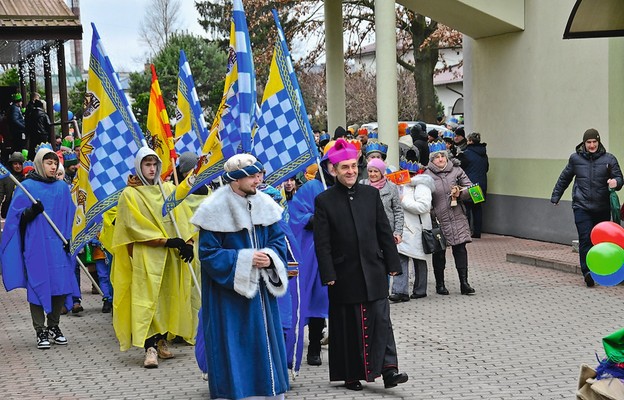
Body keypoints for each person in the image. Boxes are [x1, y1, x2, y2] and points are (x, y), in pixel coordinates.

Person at [190, 153, 289, 400]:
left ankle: (269, 392)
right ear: (236, 179)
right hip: (228, 299)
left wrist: (270, 257)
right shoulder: (213, 209)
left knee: (263, 341)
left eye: (259, 175)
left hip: (262, 296)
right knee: (233, 345)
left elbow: (278, 241)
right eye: (253, 176)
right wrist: (245, 260)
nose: (259, 180)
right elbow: (208, 254)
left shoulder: (265, 203)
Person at [314, 138, 408, 391]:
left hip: (374, 268)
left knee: (381, 321)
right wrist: (328, 272)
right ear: (334, 170)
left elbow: (383, 230)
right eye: (345, 167)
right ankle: (351, 374)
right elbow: (322, 243)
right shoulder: (324, 200)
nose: (351, 171)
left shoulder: (370, 194)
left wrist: (392, 262)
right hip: (344, 273)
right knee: (349, 324)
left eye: (354, 166)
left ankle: (389, 371)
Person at [111, 147, 200, 368]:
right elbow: (133, 226)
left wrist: (187, 242)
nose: (151, 169)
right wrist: (166, 241)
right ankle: (149, 346)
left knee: (166, 298)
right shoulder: (129, 195)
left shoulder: (167, 189)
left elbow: (182, 216)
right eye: (147, 164)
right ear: (139, 166)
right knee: (147, 300)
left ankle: (161, 340)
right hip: (146, 256)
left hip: (170, 257)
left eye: (154, 164)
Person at [0, 146, 77, 349]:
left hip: (59, 245)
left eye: (55, 163)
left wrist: (71, 239)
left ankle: (54, 325)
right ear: (39, 164)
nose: (53, 167)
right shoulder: (27, 187)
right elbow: (15, 219)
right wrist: (30, 212)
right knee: (37, 284)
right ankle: (40, 329)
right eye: (48, 163)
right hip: (36, 245)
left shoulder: (62, 188)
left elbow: (71, 216)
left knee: (60, 285)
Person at [551, 128, 623, 287]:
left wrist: (615, 183)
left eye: (594, 142)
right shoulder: (575, 159)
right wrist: (556, 196)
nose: (592, 145)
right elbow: (565, 178)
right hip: (581, 206)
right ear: (584, 143)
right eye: (588, 142)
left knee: (600, 242)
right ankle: (587, 272)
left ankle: (600, 269)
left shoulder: (609, 159)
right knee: (585, 238)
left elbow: (619, 178)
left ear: (599, 142)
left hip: (602, 207)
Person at [425, 140, 476, 295]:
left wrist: (460, 193)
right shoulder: (426, 175)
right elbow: (424, 197)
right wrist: (431, 212)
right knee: (439, 253)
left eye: (443, 156)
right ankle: (440, 284)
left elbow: (472, 189)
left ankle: (464, 283)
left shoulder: (457, 171)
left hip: (457, 216)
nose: (440, 159)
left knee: (460, 249)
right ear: (431, 159)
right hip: (438, 219)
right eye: (437, 157)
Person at [360, 158, 404, 300]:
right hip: (366, 231)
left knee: (384, 264)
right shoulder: (362, 185)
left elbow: (398, 211)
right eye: (370, 171)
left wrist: (397, 232)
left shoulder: (391, 187)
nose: (372, 174)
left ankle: (382, 293)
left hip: (385, 232)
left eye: (375, 171)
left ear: (382, 172)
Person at [393, 160, 435, 301]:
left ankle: (420, 289)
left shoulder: (422, 186)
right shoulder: (398, 185)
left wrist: (403, 200)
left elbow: (423, 207)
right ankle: (400, 291)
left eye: (410, 173)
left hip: (417, 229)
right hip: (402, 228)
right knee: (401, 258)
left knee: (419, 259)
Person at [459, 132, 489, 238]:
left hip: (470, 184)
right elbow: (486, 168)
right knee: (477, 208)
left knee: (467, 208)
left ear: (470, 141)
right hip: (481, 184)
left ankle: (467, 231)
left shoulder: (466, 153)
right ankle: (477, 232)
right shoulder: (484, 154)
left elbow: (461, 168)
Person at [0, 151, 25, 218]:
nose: (18, 166)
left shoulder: (27, 178)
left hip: (23, 210)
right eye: (15, 164)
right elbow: (0, 194)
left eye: (20, 164)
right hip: (8, 210)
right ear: (11, 164)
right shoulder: (5, 177)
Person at [6, 93, 26, 159]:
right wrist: (23, 127)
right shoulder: (15, 109)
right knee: (18, 147)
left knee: (16, 147)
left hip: (15, 131)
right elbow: (15, 120)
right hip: (17, 132)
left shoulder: (14, 108)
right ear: (19, 101)